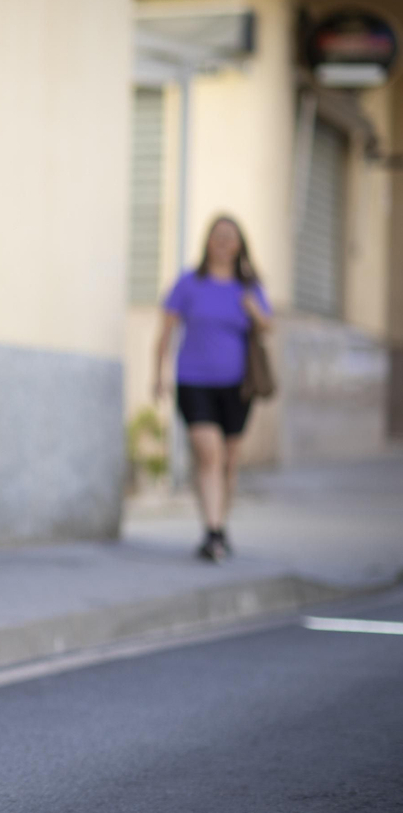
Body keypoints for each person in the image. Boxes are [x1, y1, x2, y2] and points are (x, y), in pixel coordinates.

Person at [153, 214, 272, 562]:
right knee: (209, 454)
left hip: (237, 386)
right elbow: (165, 331)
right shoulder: (189, 283)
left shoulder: (249, 287)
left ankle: (220, 524)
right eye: (217, 237)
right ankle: (212, 531)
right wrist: (158, 374)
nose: (223, 243)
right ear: (208, 242)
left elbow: (268, 327)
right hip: (193, 381)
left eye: (230, 238)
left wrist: (253, 309)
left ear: (240, 245)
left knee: (229, 462)